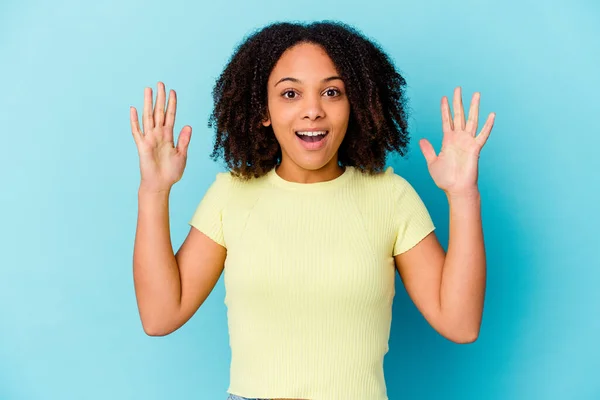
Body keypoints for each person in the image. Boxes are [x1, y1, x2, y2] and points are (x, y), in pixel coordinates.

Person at [130, 20, 495, 400]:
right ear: (263, 111)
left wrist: (463, 194)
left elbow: (461, 324)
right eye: (290, 94)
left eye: (332, 92)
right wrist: (153, 190)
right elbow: (160, 316)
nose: (312, 111)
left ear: (355, 106)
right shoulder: (230, 196)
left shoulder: (391, 197)